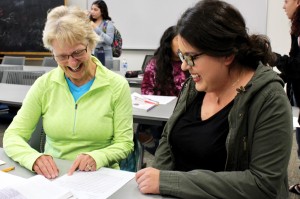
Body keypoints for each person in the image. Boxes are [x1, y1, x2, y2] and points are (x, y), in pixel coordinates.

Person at [135, 0, 293, 198]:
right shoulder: (194, 86)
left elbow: (262, 183)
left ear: (226, 54)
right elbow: (168, 138)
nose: (184, 67)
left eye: (191, 57)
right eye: (182, 57)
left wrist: (169, 182)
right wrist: (159, 184)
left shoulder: (269, 99)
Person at [3, 5, 133, 180]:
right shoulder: (44, 85)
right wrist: (33, 158)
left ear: (90, 43)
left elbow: (124, 143)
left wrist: (98, 156)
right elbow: (12, 136)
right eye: (62, 56)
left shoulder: (117, 86)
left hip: (101, 177)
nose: (72, 63)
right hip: (53, 177)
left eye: (78, 52)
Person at [138, 26, 187, 155]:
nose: (183, 44)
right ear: (169, 42)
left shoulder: (189, 64)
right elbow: (146, 89)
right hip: (158, 113)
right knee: (144, 133)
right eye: (178, 40)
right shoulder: (155, 63)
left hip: (182, 113)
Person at [271, 0, 300, 195]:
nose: (283, 6)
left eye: (286, 1)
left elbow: (298, 67)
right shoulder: (296, 29)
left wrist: (275, 59)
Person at [89, 0, 114, 70]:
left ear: (102, 11)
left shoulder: (108, 23)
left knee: (104, 79)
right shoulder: (89, 22)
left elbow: (109, 41)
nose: (92, 12)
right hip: (92, 56)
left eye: (95, 9)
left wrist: (96, 29)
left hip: (105, 58)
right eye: (91, 9)